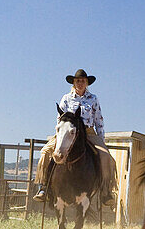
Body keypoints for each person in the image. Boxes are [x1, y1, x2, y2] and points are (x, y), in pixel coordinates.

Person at [33, 68, 117, 206]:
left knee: (106, 157)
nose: (80, 83)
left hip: (88, 132)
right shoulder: (66, 98)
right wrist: (61, 134)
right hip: (68, 131)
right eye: (78, 81)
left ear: (87, 83)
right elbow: (59, 119)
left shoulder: (93, 99)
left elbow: (99, 121)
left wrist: (101, 141)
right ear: (73, 83)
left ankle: (105, 192)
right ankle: (43, 187)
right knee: (45, 152)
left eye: (83, 81)